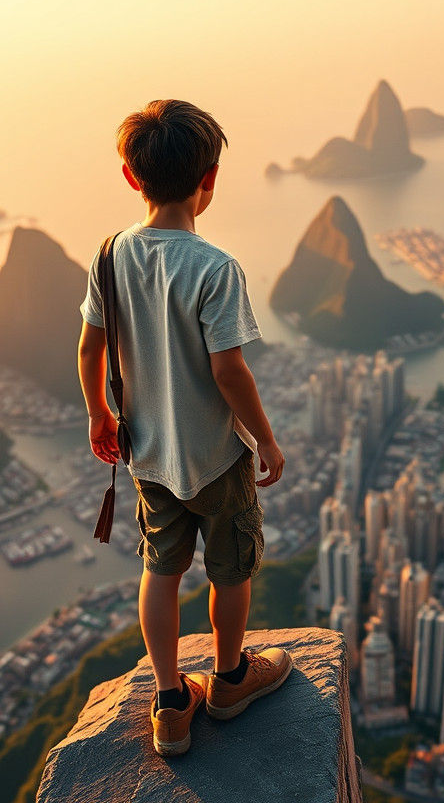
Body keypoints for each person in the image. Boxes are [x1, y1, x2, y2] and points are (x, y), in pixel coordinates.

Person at [77, 99, 290, 758]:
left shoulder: (110, 255)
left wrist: (99, 413)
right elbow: (229, 371)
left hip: (148, 455)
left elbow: (90, 347)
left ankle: (170, 703)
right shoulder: (215, 268)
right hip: (218, 458)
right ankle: (229, 680)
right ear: (210, 179)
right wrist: (265, 438)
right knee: (231, 570)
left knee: (160, 569)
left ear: (130, 176)